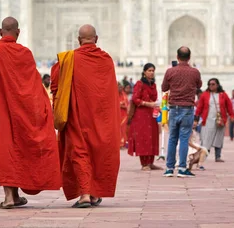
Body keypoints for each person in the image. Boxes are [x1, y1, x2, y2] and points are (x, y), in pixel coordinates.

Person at [0, 17, 61, 208]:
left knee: (5, 149)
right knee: (18, 149)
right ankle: (12, 196)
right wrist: (43, 109)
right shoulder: (25, 53)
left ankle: (10, 197)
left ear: (0, 32)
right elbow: (32, 85)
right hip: (22, 111)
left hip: (0, 111)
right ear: (18, 33)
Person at [51, 24, 120, 208]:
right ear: (96, 39)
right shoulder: (106, 60)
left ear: (78, 39)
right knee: (98, 151)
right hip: (101, 118)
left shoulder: (68, 59)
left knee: (79, 152)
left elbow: (55, 85)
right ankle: (94, 193)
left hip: (77, 116)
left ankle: (84, 195)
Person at [161, 46, 202, 177]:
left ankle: (169, 168)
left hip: (174, 108)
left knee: (172, 138)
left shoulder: (170, 71)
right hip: (187, 109)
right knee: (184, 139)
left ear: (177, 57)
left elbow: (164, 87)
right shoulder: (195, 72)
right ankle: (182, 168)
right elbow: (199, 85)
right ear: (189, 58)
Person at [127, 63, 161, 170]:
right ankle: (144, 164)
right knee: (143, 138)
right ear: (144, 72)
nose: (151, 72)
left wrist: (156, 106)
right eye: (149, 71)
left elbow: (154, 99)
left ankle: (151, 162)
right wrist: (147, 104)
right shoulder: (139, 84)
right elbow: (135, 99)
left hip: (152, 114)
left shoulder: (153, 85)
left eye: (153, 71)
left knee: (153, 137)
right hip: (141, 115)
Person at [195, 78, 233, 162]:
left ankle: (218, 156)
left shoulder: (223, 94)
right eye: (209, 84)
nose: (211, 86)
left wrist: (231, 115)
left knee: (219, 138)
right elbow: (199, 107)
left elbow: (229, 105)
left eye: (213, 84)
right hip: (208, 120)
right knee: (206, 138)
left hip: (220, 119)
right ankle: (203, 156)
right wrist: (196, 118)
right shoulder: (205, 95)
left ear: (217, 85)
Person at [118, 83, 129, 148]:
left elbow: (126, 104)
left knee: (123, 129)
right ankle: (118, 144)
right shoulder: (114, 95)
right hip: (117, 114)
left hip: (124, 115)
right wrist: (121, 104)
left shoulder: (124, 95)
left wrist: (121, 105)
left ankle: (123, 143)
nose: (120, 89)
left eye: (121, 88)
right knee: (118, 130)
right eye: (119, 88)